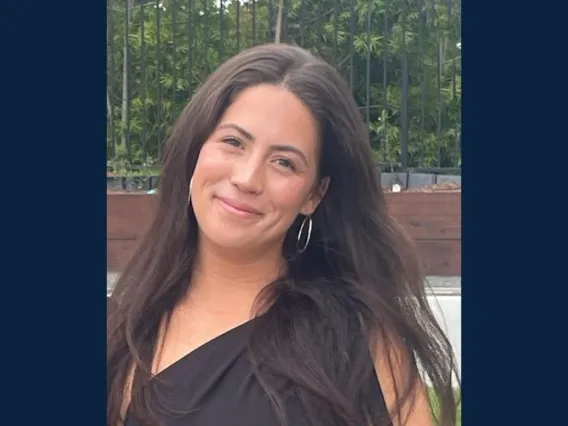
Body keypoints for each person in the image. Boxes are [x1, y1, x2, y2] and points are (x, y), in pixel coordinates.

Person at [107, 43, 460, 426]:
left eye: (284, 163)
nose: (246, 179)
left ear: (314, 194)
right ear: (196, 150)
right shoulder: (122, 321)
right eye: (233, 142)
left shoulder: (354, 342)